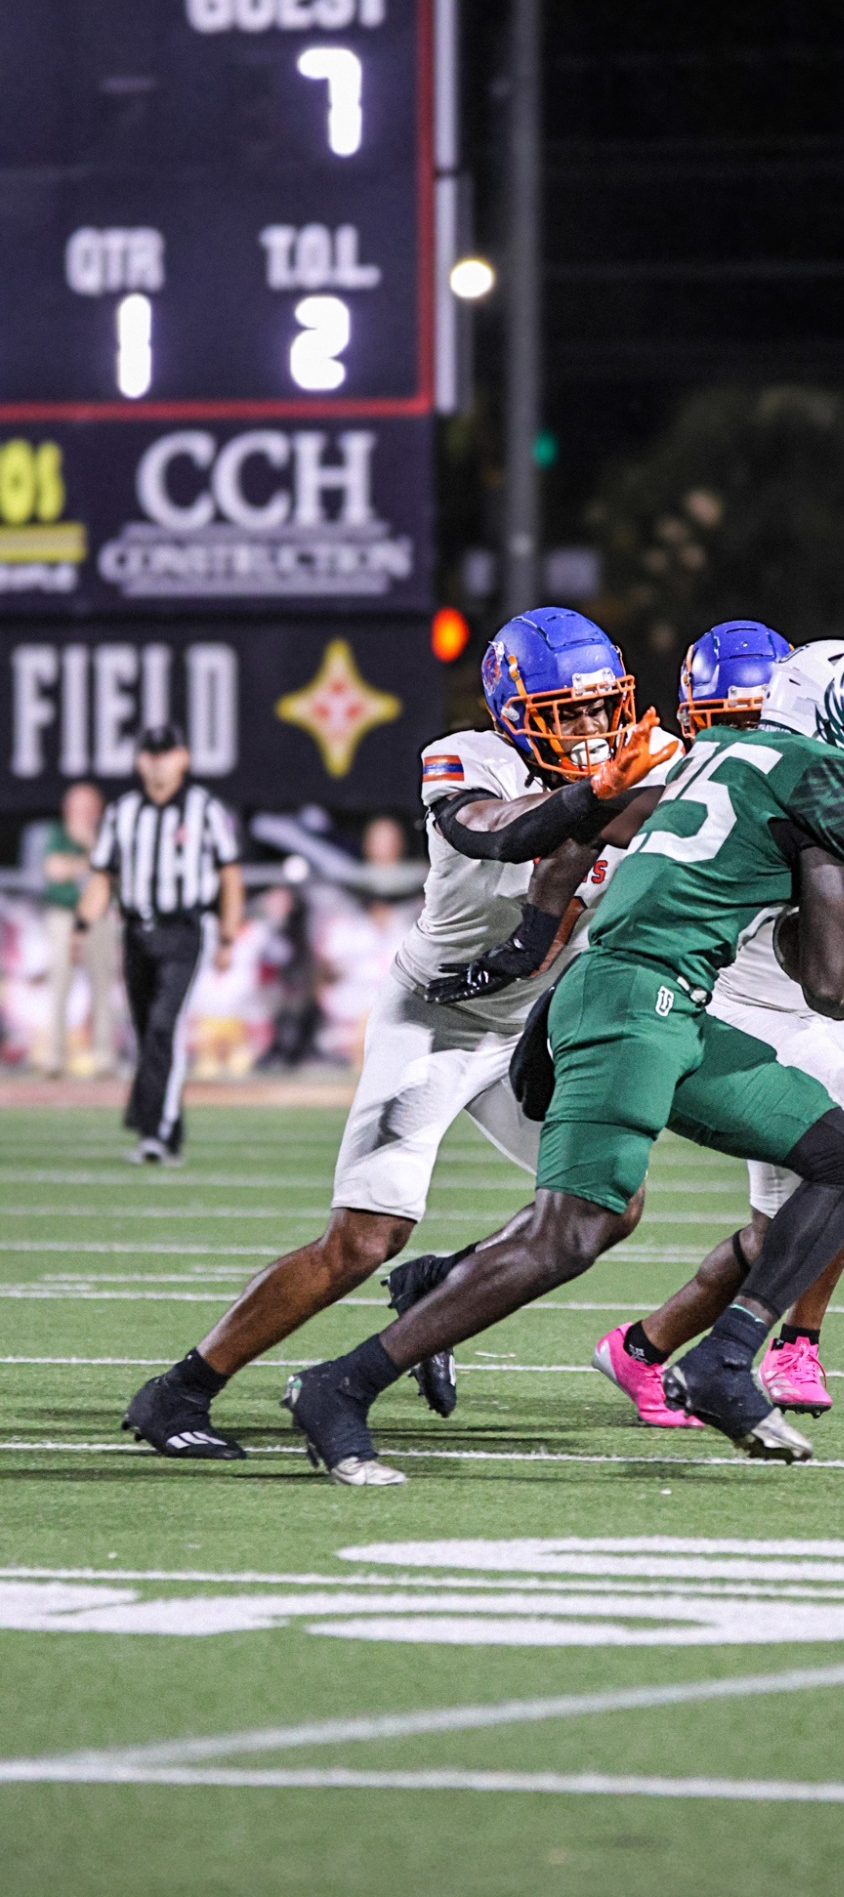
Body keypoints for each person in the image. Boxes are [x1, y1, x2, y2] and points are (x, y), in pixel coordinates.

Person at [283, 637, 844, 1484]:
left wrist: (534, 964)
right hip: (634, 1004)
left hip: (653, 1004)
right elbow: (832, 994)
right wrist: (835, 898)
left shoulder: (722, 751)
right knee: (571, 1233)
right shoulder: (823, 780)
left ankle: (723, 1362)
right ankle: (341, 1385)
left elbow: (585, 835)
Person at [121, 607, 675, 1466]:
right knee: (364, 1239)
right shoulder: (466, 759)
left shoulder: (640, 767)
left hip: (525, 1024)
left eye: (604, 708)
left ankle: (441, 1289)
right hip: (436, 1016)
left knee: (606, 1203)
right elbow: (500, 829)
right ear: (516, 711)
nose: (596, 729)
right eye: (570, 711)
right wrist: (601, 792)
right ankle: (180, 1388)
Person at [593, 621, 844, 1425]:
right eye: (730, 720)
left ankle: (647, 1348)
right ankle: (775, 1347)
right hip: (735, 1006)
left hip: (804, 1013)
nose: (748, 737)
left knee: (788, 1225)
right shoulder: (708, 775)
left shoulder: (820, 777)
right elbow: (607, 829)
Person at [76, 726, 242, 1164]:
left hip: (185, 930)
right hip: (135, 932)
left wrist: (228, 935)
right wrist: (82, 924)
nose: (158, 762)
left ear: (183, 758)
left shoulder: (204, 809)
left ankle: (156, 1130)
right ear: (139, 761)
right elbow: (102, 874)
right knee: (147, 1028)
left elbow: (230, 874)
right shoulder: (123, 812)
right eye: (151, 753)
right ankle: (163, 1122)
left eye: (166, 752)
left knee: (165, 1026)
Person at [41, 781, 116, 1077]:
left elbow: (112, 869)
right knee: (60, 985)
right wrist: (88, 863)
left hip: (98, 917)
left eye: (89, 806)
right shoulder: (57, 833)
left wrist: (88, 846)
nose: (83, 812)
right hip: (64, 915)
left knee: (102, 987)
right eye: (78, 806)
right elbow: (55, 870)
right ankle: (54, 1058)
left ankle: (104, 1058)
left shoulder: (104, 834)